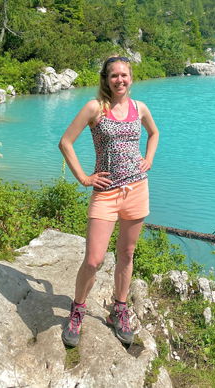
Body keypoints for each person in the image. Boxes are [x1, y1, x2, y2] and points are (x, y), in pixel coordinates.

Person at [58, 55, 159, 348]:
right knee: (94, 259)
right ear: (105, 79)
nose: (120, 80)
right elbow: (65, 142)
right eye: (114, 75)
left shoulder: (140, 108)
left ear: (131, 78)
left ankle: (119, 309)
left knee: (127, 255)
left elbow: (154, 133)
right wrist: (84, 178)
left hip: (137, 190)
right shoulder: (94, 108)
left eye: (124, 75)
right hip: (106, 194)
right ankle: (78, 310)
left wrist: (149, 159)